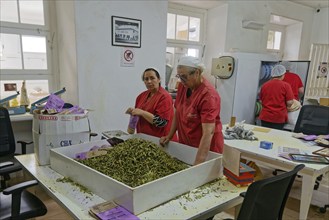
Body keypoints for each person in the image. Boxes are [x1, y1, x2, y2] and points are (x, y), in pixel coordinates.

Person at [160, 56, 224, 165]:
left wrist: (198, 162)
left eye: (184, 76)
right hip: (188, 142)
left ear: (197, 73)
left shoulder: (208, 95)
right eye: (179, 76)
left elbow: (209, 132)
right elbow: (178, 113)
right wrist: (169, 136)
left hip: (206, 147)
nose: (181, 80)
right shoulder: (183, 86)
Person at [126, 68, 177, 140]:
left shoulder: (164, 97)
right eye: (146, 79)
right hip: (144, 139)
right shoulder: (141, 96)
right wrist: (133, 112)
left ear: (159, 79)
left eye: (152, 78)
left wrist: (142, 112)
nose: (149, 81)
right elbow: (139, 114)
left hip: (161, 140)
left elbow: (161, 123)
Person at [259, 64, 294, 130]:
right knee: (275, 137)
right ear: (282, 74)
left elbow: (261, 101)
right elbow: (289, 102)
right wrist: (288, 107)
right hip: (278, 118)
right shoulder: (286, 85)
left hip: (265, 117)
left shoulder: (265, 85)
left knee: (265, 136)